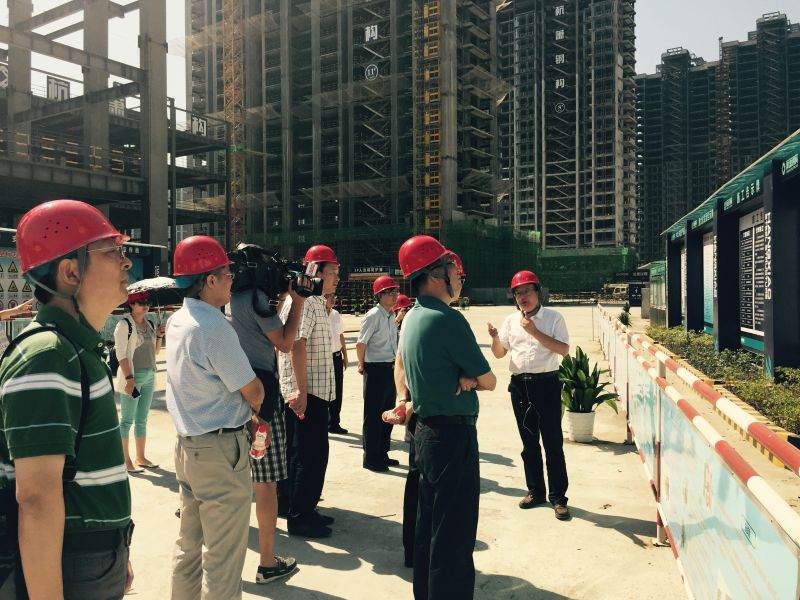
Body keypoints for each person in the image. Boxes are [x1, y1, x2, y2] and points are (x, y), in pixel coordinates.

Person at [0, 199, 134, 598]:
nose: (126, 261)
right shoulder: (47, 356)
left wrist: (115, 548)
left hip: (91, 556)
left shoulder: (75, 349)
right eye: (112, 251)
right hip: (71, 563)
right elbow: (37, 500)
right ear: (71, 272)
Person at [394, 235, 496, 600]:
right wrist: (470, 379)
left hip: (424, 434)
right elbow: (490, 380)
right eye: (452, 269)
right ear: (436, 275)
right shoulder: (448, 319)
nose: (458, 275)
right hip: (453, 438)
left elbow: (401, 367)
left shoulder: (411, 317)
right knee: (454, 538)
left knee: (429, 530)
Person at [166, 235, 265, 600]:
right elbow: (252, 390)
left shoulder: (178, 321)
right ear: (209, 280)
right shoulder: (213, 327)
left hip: (188, 447)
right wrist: (258, 396)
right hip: (220, 451)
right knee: (223, 559)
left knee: (188, 547)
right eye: (227, 274)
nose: (231, 281)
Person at [227, 279, 306, 584]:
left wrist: (281, 295)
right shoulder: (255, 297)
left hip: (233, 393)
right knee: (265, 484)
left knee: (231, 483)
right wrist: (297, 302)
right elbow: (285, 343)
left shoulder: (227, 298)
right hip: (261, 396)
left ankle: (224, 567)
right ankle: (267, 562)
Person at [488, 270, 571, 520]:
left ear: (538, 292)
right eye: (518, 293)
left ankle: (559, 498)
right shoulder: (510, 321)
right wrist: (495, 338)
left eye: (527, 291)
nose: (522, 297)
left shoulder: (554, 318)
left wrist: (534, 331)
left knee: (553, 444)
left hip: (547, 385)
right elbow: (500, 353)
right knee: (529, 444)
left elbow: (563, 349)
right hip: (520, 387)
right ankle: (536, 491)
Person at [278, 244, 339, 538]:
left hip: (311, 392)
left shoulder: (313, 301)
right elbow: (296, 345)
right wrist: (301, 391)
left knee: (303, 453)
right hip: (308, 393)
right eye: (332, 272)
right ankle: (301, 517)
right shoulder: (308, 301)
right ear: (316, 271)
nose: (337, 278)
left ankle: (300, 507)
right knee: (309, 456)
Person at [114, 291, 163, 474]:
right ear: (132, 305)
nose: (145, 305)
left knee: (142, 419)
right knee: (127, 421)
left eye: (147, 302)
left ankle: (141, 457)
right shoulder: (124, 324)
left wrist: (159, 336)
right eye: (141, 302)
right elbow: (121, 355)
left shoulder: (150, 324)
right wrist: (129, 379)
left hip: (149, 375)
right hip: (133, 377)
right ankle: (125, 460)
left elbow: (155, 352)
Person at [357, 275, 400, 472]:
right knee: (373, 416)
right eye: (390, 292)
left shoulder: (391, 315)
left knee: (387, 414)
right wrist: (361, 364)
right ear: (379, 295)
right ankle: (371, 458)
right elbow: (361, 343)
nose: (394, 296)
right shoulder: (373, 315)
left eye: (395, 291)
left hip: (390, 368)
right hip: (375, 369)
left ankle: (382, 453)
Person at [325, 293, 349, 434]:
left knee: (338, 391)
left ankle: (334, 422)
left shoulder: (335, 314)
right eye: (330, 296)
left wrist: (345, 355)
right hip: (323, 358)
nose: (333, 299)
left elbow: (341, 335)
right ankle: (324, 422)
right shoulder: (318, 314)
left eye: (334, 296)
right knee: (324, 391)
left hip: (336, 357)